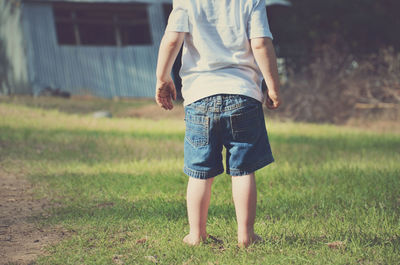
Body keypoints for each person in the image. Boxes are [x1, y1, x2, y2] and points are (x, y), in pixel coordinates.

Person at [155, 0, 281, 248]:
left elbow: (172, 39)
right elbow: (261, 42)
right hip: (243, 94)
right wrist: (273, 85)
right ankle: (246, 236)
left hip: (200, 96)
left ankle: (196, 234)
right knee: (244, 170)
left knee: (200, 172)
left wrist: (162, 77)